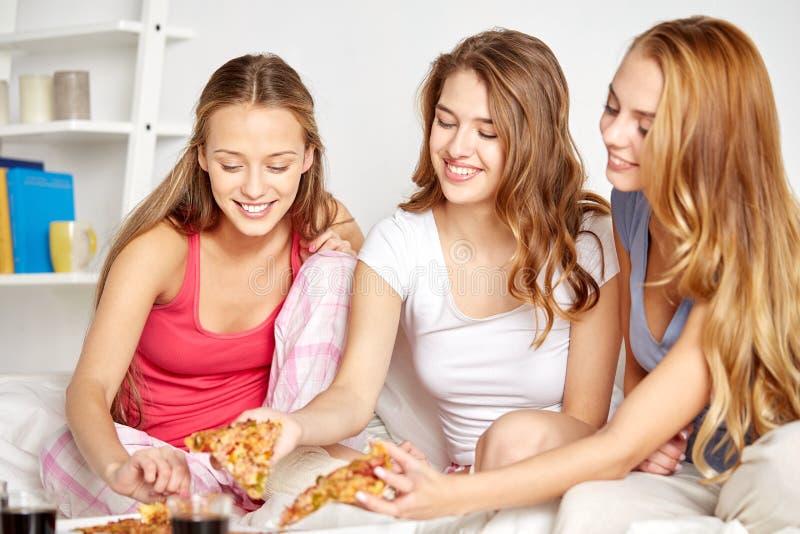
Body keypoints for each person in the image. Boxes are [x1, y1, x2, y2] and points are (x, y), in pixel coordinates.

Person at [354, 16, 800, 534]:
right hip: (687, 467)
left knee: (786, 470)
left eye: (645, 125)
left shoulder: (742, 257)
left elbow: (612, 446)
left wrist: (448, 493)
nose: (610, 132)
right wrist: (646, 429)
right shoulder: (632, 209)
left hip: (759, 461)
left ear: (707, 139)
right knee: (582, 510)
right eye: (612, 106)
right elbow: (639, 371)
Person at [239, 29, 620, 477]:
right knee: (295, 469)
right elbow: (353, 396)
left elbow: (585, 420)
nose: (457, 148)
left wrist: (501, 460)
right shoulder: (399, 243)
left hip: (553, 470)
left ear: (534, 140)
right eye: (446, 122)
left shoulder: (589, 240)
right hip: (456, 480)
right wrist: (294, 426)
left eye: (488, 131)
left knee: (511, 437)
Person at [39, 53, 364, 517]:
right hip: (175, 465)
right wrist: (119, 469)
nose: (255, 189)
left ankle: (289, 478)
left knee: (340, 268)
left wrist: (349, 240)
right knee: (61, 453)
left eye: (277, 166)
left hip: (276, 454)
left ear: (308, 158)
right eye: (232, 165)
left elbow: (360, 293)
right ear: (203, 158)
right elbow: (89, 386)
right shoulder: (159, 250)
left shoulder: (319, 219)